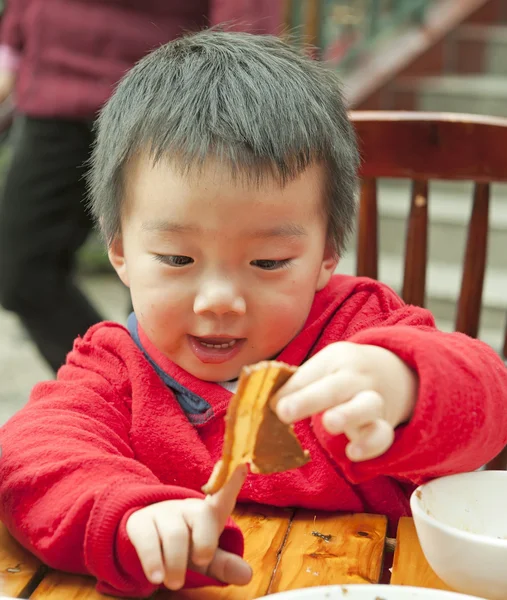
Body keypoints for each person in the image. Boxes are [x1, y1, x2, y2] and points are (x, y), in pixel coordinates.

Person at [0, 29, 506, 599]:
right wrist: (129, 515)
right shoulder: (115, 369)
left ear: (325, 256)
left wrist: (406, 385)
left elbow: (490, 399)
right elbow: (33, 456)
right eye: (177, 258)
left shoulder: (360, 332)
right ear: (119, 251)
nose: (219, 299)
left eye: (267, 261)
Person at [0, 0, 281, 373]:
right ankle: (117, 382)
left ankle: (171, 401)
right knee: (19, 273)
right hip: (51, 100)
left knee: (169, 280)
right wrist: (10, 48)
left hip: (165, 108)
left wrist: (235, 89)